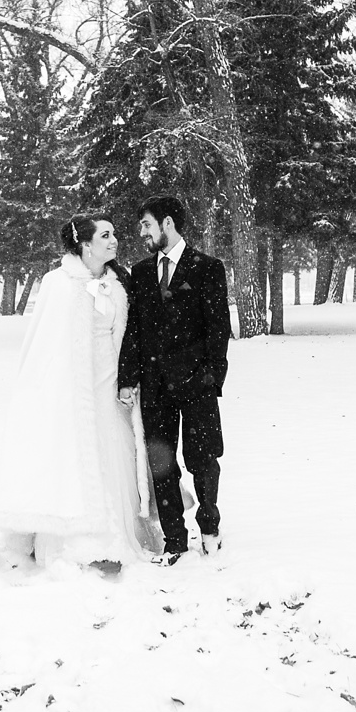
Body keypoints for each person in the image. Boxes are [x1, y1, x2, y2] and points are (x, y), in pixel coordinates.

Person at [0, 214, 160, 567]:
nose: (114, 241)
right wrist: (49, 390)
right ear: (85, 244)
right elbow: (46, 343)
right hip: (72, 386)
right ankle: (76, 542)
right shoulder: (58, 283)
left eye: (114, 234)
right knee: (77, 452)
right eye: (106, 235)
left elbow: (129, 334)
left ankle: (118, 535)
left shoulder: (119, 281)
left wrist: (130, 377)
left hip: (112, 381)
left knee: (115, 450)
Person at [118, 195, 231, 563]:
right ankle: (174, 540)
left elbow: (218, 328)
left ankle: (210, 528)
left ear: (167, 223)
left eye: (146, 225)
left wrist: (212, 377)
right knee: (161, 465)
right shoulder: (141, 272)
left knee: (202, 459)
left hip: (197, 384)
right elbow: (134, 331)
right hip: (155, 387)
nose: (142, 233)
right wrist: (128, 378)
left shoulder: (207, 268)